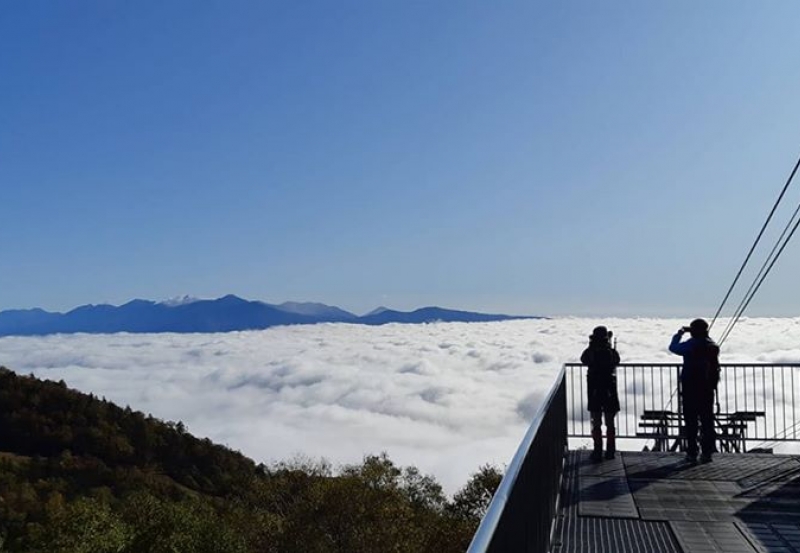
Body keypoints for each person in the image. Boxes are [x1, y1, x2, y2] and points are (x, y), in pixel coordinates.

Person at [669, 318, 720, 464]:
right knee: (707, 420)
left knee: (691, 421)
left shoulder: (691, 345)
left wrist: (679, 334)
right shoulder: (712, 345)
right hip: (707, 388)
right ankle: (707, 452)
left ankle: (692, 452)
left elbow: (673, 348)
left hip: (690, 386)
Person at [581, 326, 620, 462]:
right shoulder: (610, 350)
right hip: (609, 388)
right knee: (610, 422)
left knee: (596, 421)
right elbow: (616, 361)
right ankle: (610, 451)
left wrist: (591, 345)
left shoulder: (591, 351)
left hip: (594, 389)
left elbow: (584, 360)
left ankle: (598, 450)